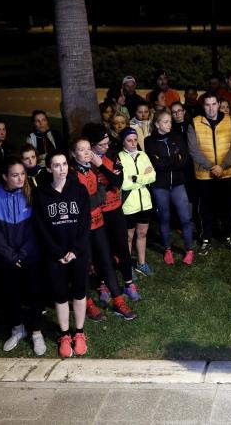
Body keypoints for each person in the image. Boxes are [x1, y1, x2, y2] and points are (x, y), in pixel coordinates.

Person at [0, 156, 46, 355]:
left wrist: (23, 254)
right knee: (11, 294)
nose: (20, 178)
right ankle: (17, 329)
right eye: (14, 175)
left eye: (22, 174)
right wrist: (11, 256)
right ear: (5, 177)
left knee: (35, 294)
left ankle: (36, 331)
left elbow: (35, 228)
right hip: (6, 258)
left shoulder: (32, 193)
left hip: (30, 255)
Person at [70, 138, 138, 319]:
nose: (86, 153)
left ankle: (118, 301)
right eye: (81, 150)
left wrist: (94, 198)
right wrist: (95, 198)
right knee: (84, 265)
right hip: (82, 229)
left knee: (106, 261)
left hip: (98, 223)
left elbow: (102, 193)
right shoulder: (71, 174)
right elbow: (81, 203)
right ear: (73, 154)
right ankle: (88, 303)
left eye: (87, 149)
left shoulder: (93, 168)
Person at [34, 151, 91, 358]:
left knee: (79, 292)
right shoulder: (42, 194)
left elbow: (85, 223)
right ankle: (65, 334)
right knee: (60, 295)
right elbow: (41, 227)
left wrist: (75, 250)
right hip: (55, 255)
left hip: (78, 253)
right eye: (56, 165)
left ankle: (79, 332)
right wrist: (57, 252)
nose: (61, 169)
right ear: (49, 168)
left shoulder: (79, 190)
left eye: (64, 164)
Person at [82, 124, 139, 300]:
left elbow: (117, 182)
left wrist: (101, 166)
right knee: (101, 250)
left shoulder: (112, 155)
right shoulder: (83, 162)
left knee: (122, 246)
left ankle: (129, 283)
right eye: (102, 145)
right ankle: (102, 285)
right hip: (97, 213)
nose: (107, 147)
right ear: (91, 146)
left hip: (114, 210)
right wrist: (105, 179)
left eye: (107, 143)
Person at [187, 93, 231, 255]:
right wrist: (211, 167)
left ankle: (227, 236)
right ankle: (206, 238)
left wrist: (222, 166)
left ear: (219, 104)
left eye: (213, 104)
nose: (211, 108)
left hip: (226, 173)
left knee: (225, 206)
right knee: (205, 208)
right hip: (204, 175)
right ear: (203, 106)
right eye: (207, 105)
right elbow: (193, 150)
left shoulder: (229, 120)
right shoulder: (195, 123)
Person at [144, 111, 195, 266]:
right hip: (160, 186)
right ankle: (167, 249)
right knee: (164, 218)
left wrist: (166, 160)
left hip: (178, 183)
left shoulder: (177, 137)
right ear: (157, 124)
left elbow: (185, 160)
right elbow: (156, 164)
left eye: (170, 121)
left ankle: (189, 250)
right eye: (165, 122)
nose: (169, 124)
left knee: (185, 218)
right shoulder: (149, 141)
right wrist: (175, 158)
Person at [116, 130, 156, 278]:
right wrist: (143, 178)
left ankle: (141, 263)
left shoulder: (143, 155)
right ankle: (127, 267)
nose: (133, 143)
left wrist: (135, 178)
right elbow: (124, 184)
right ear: (123, 142)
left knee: (142, 233)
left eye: (135, 139)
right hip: (129, 205)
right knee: (128, 237)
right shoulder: (119, 158)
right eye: (129, 140)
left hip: (145, 203)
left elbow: (153, 176)